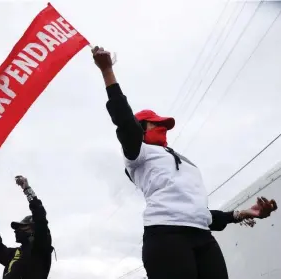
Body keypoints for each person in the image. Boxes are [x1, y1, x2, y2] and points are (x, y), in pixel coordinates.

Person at [91, 46, 278, 279]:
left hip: (202, 236)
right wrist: (107, 71)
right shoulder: (139, 153)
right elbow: (124, 121)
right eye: (154, 124)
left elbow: (202, 214)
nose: (162, 128)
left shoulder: (184, 161)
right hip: (166, 237)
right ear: (140, 129)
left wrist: (242, 213)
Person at [0, 175, 53, 279]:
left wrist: (27, 190)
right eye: (16, 228)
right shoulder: (16, 252)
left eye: (22, 227)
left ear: (33, 229)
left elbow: (40, 218)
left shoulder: (40, 247)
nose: (17, 230)